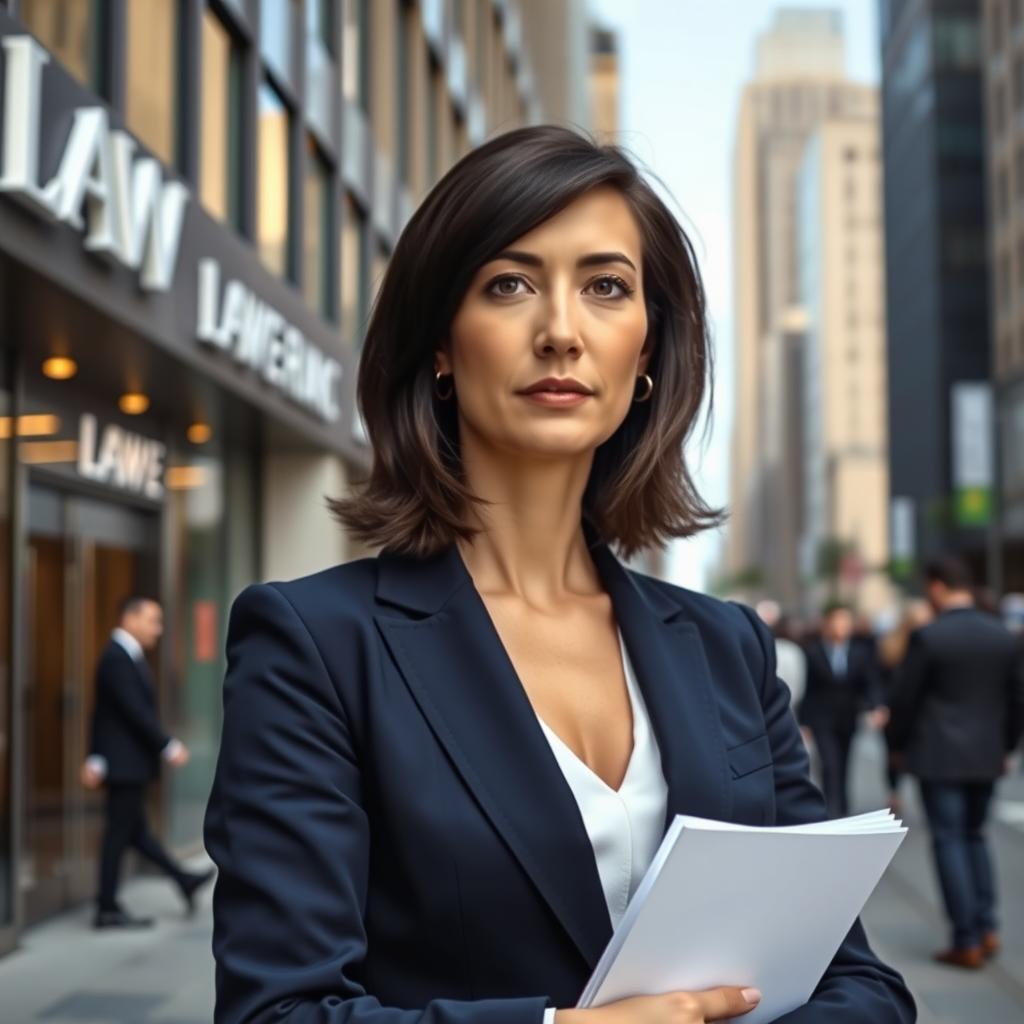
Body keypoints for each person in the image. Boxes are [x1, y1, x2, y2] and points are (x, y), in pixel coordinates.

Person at [204, 126, 914, 1024]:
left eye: (607, 288)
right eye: (510, 285)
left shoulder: (726, 646)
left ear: (648, 354)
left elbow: (860, 983)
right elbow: (279, 1012)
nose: (561, 332)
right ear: (439, 346)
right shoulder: (317, 645)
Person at [887, 557, 1024, 968]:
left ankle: (964, 939)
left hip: (938, 753)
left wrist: (896, 745)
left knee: (948, 839)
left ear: (937, 586)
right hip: (987, 753)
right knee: (976, 835)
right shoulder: (1004, 636)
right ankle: (986, 927)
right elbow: (1018, 699)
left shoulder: (929, 637)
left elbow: (905, 699)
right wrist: (1008, 746)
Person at [80, 596, 215, 928]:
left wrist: (96, 756)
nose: (159, 629)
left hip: (123, 762)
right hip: (125, 764)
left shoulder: (126, 656)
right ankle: (107, 907)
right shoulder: (117, 657)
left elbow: (104, 714)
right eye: (153, 620)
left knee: (135, 832)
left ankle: (181, 880)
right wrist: (167, 745)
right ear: (130, 619)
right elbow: (132, 713)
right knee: (120, 834)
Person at [797, 602, 886, 818]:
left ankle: (843, 808)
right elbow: (808, 690)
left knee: (844, 763)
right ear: (827, 624)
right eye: (837, 621)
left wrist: (875, 706)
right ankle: (831, 809)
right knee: (829, 764)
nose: (841, 626)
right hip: (822, 719)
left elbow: (869, 682)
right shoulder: (813, 651)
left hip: (847, 718)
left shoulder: (860, 652)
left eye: (846, 622)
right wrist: (804, 722)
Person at [877, 600, 933, 814]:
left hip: (920, 710)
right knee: (893, 754)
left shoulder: (930, 644)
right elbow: (881, 678)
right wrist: (881, 705)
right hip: (895, 709)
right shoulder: (892, 645)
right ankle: (894, 791)